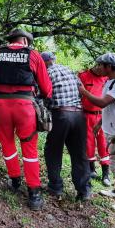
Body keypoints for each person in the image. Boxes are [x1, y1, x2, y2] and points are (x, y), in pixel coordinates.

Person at [0, 29, 52, 210]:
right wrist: (45, 97)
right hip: (24, 107)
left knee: (7, 143)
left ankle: (15, 180)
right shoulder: (33, 55)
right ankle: (34, 193)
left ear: (11, 41)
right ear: (25, 41)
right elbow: (46, 88)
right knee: (29, 147)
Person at [78, 53, 115, 212]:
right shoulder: (111, 81)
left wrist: (83, 91)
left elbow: (103, 103)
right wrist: (99, 123)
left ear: (108, 67)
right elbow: (112, 105)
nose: (98, 68)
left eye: (101, 65)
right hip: (111, 127)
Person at [40, 52, 92, 201]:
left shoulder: (46, 73)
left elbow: (44, 95)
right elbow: (80, 89)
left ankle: (55, 187)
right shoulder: (68, 70)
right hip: (79, 115)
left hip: (61, 115)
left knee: (53, 151)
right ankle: (84, 190)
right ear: (54, 60)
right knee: (79, 153)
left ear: (43, 63)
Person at [78, 63, 112, 186]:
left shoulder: (107, 77)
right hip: (86, 114)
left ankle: (106, 174)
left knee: (103, 144)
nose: (102, 70)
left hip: (103, 115)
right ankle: (91, 170)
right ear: (98, 65)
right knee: (89, 143)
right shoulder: (83, 75)